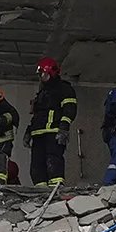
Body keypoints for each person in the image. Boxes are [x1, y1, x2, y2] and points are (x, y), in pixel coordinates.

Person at [24, 57, 77, 187]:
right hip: (38, 134)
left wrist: (64, 128)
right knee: (37, 165)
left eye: (44, 74)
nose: (41, 77)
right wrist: (29, 131)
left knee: (53, 161)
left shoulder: (64, 89)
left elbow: (70, 109)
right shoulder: (42, 93)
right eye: (40, 75)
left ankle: (55, 189)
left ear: (52, 73)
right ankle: (41, 191)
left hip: (54, 132)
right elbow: (38, 115)